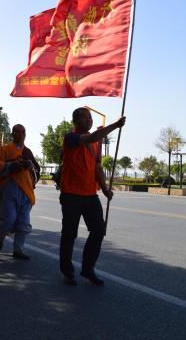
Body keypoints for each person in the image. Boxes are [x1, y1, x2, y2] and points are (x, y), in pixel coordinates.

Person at [59, 107, 125, 286]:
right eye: (85, 118)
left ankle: (88, 269)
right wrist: (115, 125)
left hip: (90, 195)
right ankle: (67, 271)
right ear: (75, 121)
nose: (89, 120)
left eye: (90, 117)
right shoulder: (70, 138)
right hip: (71, 194)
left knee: (98, 231)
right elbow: (93, 137)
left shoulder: (95, 144)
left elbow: (97, 168)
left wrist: (104, 188)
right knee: (69, 235)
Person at [0, 124, 37, 260]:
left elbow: (36, 171)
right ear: (12, 134)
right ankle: (0, 238)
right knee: (8, 220)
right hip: (9, 189)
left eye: (22, 132)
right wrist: (12, 165)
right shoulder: (4, 150)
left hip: (26, 191)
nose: (20, 134)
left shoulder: (28, 152)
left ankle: (18, 250)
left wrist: (30, 166)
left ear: (25, 134)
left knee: (23, 223)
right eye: (16, 132)